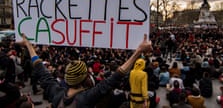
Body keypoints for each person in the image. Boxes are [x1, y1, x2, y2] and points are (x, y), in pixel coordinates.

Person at [20, 33, 152, 108]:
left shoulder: (56, 92)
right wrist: (138, 51)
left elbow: (39, 66)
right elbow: (116, 76)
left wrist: (28, 45)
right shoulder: (85, 99)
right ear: (85, 78)